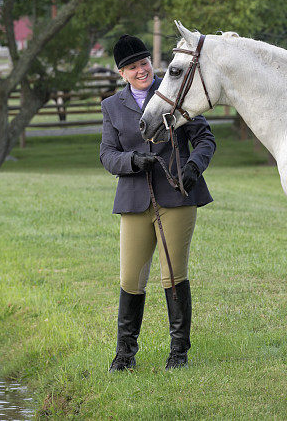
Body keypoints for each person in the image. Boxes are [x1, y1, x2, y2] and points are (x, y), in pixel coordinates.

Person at [99, 34, 216, 372]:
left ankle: (178, 352)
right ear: (122, 73)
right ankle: (124, 354)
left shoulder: (175, 91)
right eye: (132, 67)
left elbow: (205, 138)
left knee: (173, 274)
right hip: (134, 199)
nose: (141, 70)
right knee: (130, 277)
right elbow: (108, 155)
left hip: (176, 196)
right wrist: (133, 161)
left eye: (144, 63)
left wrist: (194, 165)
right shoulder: (111, 107)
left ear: (152, 62)